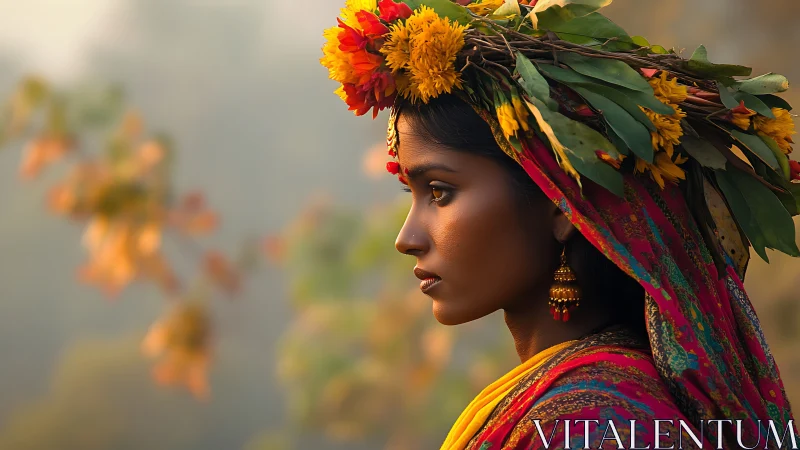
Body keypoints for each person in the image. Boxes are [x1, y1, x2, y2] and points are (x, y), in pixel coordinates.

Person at [321, 0, 799, 448]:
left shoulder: (594, 426)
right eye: (413, 194)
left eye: (440, 193)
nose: (407, 239)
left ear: (559, 203)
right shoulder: (578, 405)